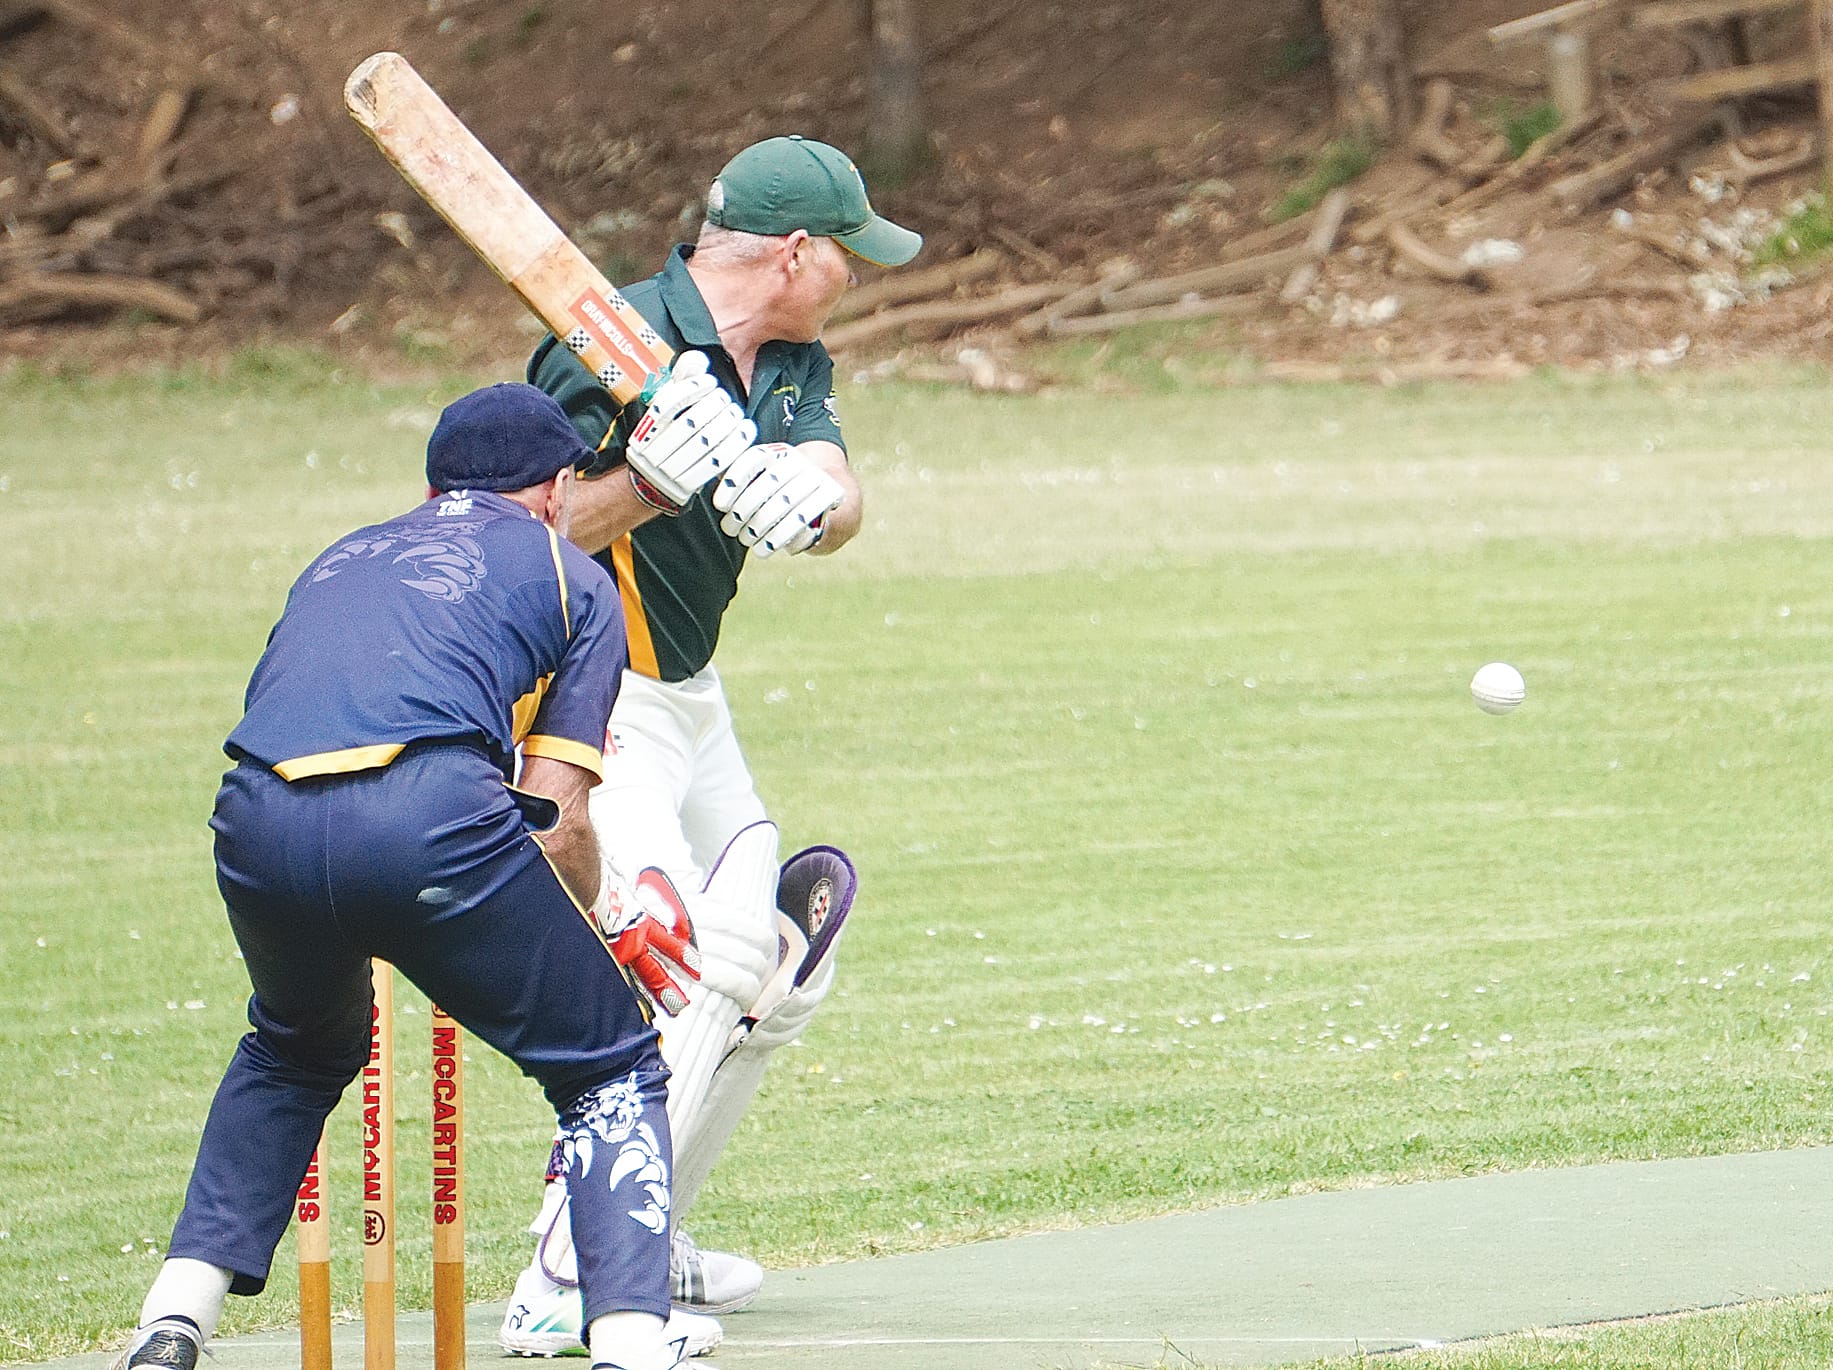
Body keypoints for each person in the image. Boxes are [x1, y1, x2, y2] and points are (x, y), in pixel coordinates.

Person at [116, 384, 736, 1370]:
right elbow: (557, 814)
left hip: (257, 818)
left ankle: (171, 1321)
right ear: (558, 490)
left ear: (432, 486)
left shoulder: (341, 556)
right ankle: (628, 1339)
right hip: (427, 815)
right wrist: (606, 920)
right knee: (609, 1067)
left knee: (293, 1048)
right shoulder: (575, 575)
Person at [496, 135, 919, 1356]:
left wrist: (813, 499)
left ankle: (647, 1219)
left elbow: (838, 487)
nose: (856, 273)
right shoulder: (605, 337)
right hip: (590, 692)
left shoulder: (789, 357)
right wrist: (643, 480)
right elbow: (517, 537)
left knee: (784, 965)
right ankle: (565, 1277)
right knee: (697, 958)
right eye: (848, 252)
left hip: (691, 695)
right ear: (795, 251)